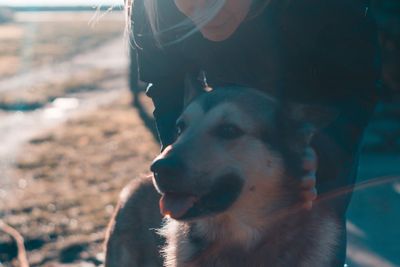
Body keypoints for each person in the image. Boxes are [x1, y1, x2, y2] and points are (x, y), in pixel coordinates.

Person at [128, 0, 379, 265]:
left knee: (312, 238)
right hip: (235, 109)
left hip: (318, 113)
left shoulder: (327, 8)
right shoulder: (154, 7)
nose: (201, 12)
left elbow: (354, 87)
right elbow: (167, 87)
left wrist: (322, 155)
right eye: (187, 2)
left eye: (214, 1)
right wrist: (179, 155)